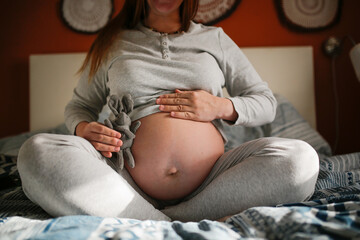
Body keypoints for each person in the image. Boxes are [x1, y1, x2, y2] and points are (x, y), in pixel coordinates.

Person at [17, 0, 319, 222]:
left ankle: (163, 219)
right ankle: (156, 218)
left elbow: (265, 103)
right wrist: (83, 128)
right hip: (123, 179)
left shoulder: (215, 39)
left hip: (214, 181)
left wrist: (222, 106)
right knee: (37, 152)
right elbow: (79, 107)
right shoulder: (113, 42)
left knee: (302, 159)